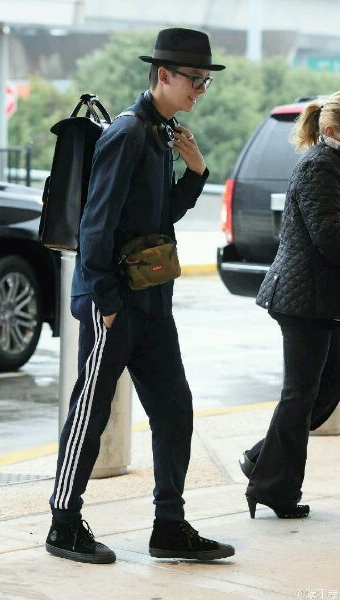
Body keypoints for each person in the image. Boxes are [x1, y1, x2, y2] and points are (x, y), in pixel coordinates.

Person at [45, 27, 235, 564]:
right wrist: (105, 301)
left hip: (152, 301)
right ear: (163, 75)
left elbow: (158, 216)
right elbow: (96, 223)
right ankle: (63, 524)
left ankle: (168, 526)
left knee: (175, 410)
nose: (200, 90)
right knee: (91, 409)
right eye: (194, 79)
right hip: (115, 303)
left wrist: (195, 172)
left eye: (205, 82)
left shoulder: (161, 133)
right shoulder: (128, 132)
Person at [242, 92, 340, 519]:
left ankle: (260, 459)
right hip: (303, 298)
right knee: (300, 395)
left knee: (325, 390)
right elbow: (329, 236)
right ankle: (274, 490)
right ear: (332, 130)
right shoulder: (319, 166)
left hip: (324, 299)